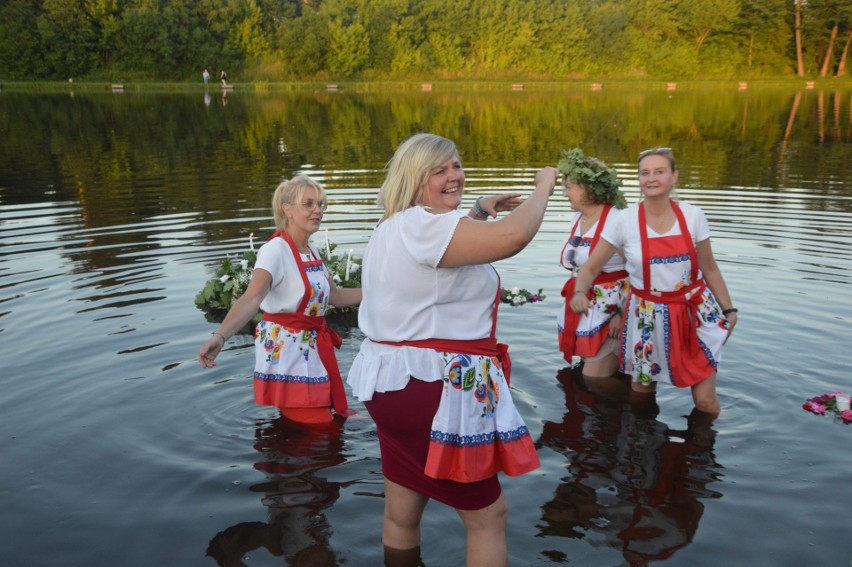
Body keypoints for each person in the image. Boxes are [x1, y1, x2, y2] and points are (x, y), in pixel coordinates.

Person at [347, 133, 555, 567]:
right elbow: (515, 236)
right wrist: (543, 189)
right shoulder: (425, 226)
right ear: (413, 179)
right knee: (487, 515)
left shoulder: (391, 227)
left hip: (390, 388)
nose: (453, 176)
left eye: (456, 166)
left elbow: (438, 269)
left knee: (402, 509)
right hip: (433, 392)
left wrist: (479, 210)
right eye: (438, 171)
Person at [570, 147, 737, 416]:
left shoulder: (693, 216)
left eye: (660, 171)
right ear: (639, 179)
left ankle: (709, 451)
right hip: (646, 317)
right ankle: (642, 450)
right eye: (645, 173)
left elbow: (709, 267)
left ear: (674, 177)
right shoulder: (625, 221)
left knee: (705, 402)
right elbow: (590, 267)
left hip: (692, 313)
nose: (651, 178)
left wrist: (729, 309)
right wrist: (580, 292)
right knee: (642, 395)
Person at [198, 175, 361, 425]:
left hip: (311, 349)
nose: (318, 210)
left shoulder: (312, 251)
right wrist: (219, 336)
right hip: (288, 354)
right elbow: (251, 299)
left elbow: (336, 297)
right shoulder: (275, 250)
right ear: (288, 209)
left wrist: (381, 291)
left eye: (320, 204)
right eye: (309, 204)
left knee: (321, 427)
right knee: (320, 427)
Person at [556, 148, 630, 377]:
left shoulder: (617, 219)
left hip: (613, 311)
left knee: (594, 379)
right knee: (588, 377)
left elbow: (637, 271)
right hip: (586, 306)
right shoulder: (577, 218)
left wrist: (621, 313)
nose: (564, 194)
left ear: (588, 188)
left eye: (569, 188)